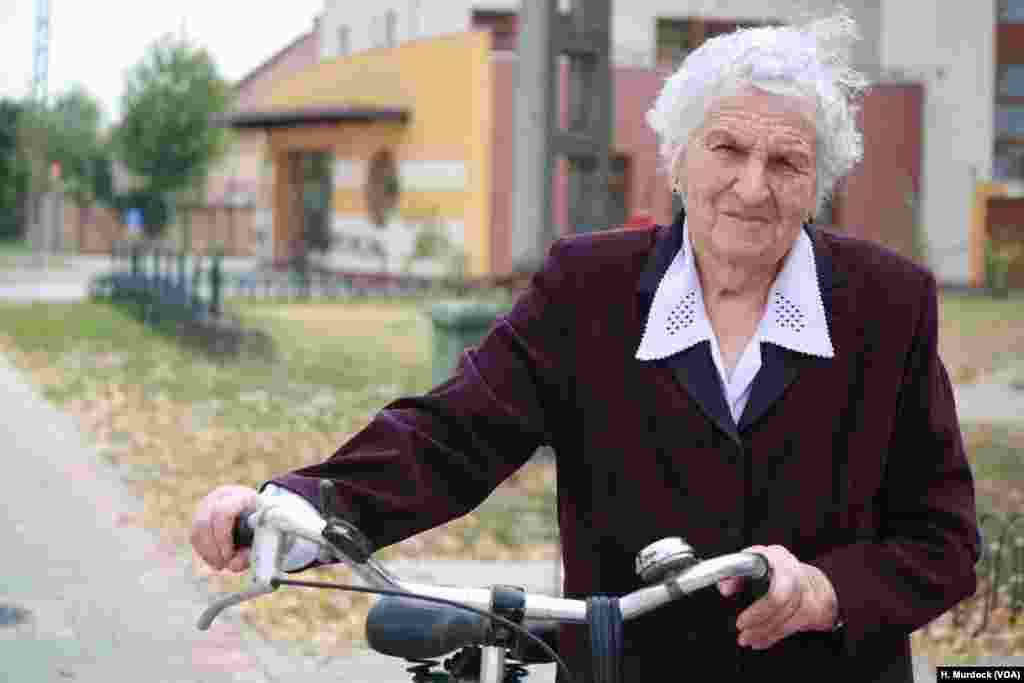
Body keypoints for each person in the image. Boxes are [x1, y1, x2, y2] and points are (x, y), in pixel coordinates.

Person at [191, 9, 980, 681]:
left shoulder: (887, 306)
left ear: (818, 183)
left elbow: (942, 539)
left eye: (786, 162)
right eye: (728, 149)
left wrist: (829, 590)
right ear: (678, 158)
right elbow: (452, 434)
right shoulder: (589, 289)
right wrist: (303, 505)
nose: (753, 185)